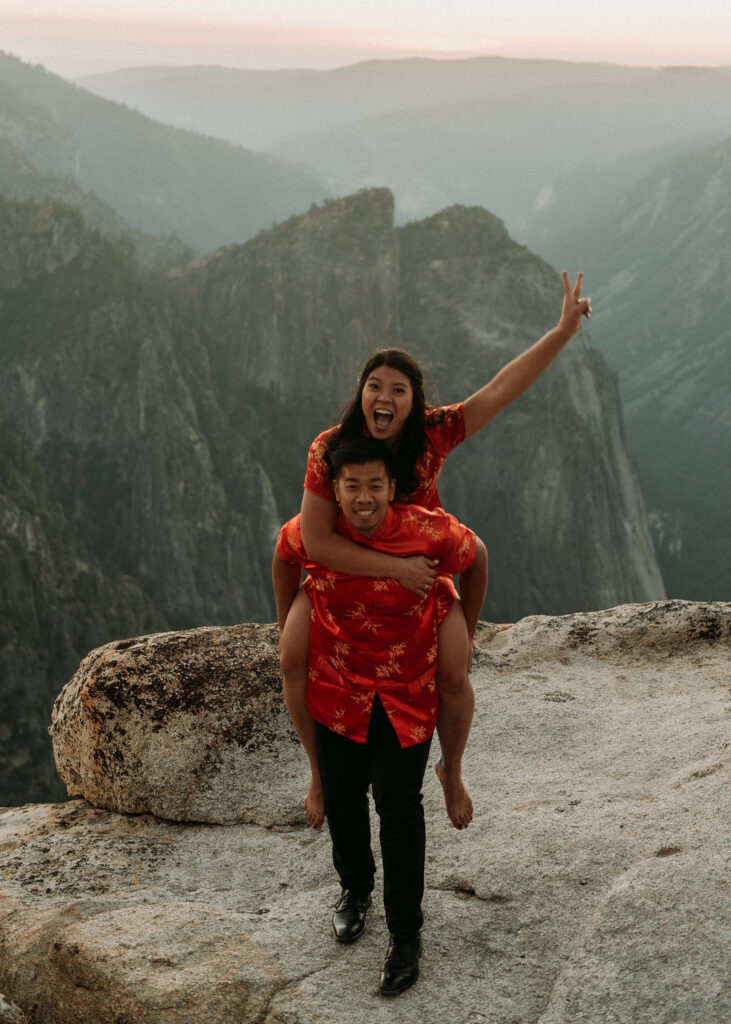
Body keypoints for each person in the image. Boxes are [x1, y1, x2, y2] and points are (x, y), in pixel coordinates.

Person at [279, 271, 591, 831]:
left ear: (414, 401)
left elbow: (498, 390)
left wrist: (563, 330)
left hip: (421, 581)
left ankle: (453, 769)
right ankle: (319, 773)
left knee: (452, 671)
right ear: (362, 391)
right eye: (376, 385)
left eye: (399, 389)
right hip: (339, 580)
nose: (385, 396)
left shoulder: (431, 434)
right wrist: (394, 569)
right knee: (291, 659)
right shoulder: (330, 449)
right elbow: (316, 541)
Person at [272, 436, 488, 995]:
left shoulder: (428, 531)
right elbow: (283, 553)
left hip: (405, 691)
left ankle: (405, 935)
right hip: (339, 686)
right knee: (343, 796)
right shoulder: (318, 532)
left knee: (398, 807)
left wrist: (469, 621)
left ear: (393, 489)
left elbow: (477, 557)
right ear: (335, 490)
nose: (363, 498)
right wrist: (286, 619)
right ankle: (355, 888)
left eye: (374, 485)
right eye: (352, 486)